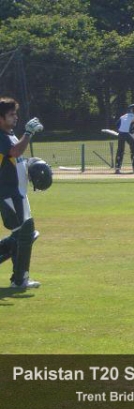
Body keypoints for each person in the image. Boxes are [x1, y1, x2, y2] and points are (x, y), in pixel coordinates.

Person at [0, 97, 44, 288]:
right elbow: (15, 153)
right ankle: (20, 280)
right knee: (24, 233)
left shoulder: (9, 135)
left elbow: (17, 160)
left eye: (15, 113)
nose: (15, 117)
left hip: (18, 193)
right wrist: (28, 133)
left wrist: (32, 167)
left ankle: (20, 279)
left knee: (24, 234)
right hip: (9, 193)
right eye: (11, 114)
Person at [115, 104, 134, 174]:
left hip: (121, 134)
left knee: (120, 150)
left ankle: (117, 168)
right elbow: (133, 125)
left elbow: (117, 124)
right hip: (127, 133)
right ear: (132, 110)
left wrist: (119, 131)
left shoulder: (122, 116)